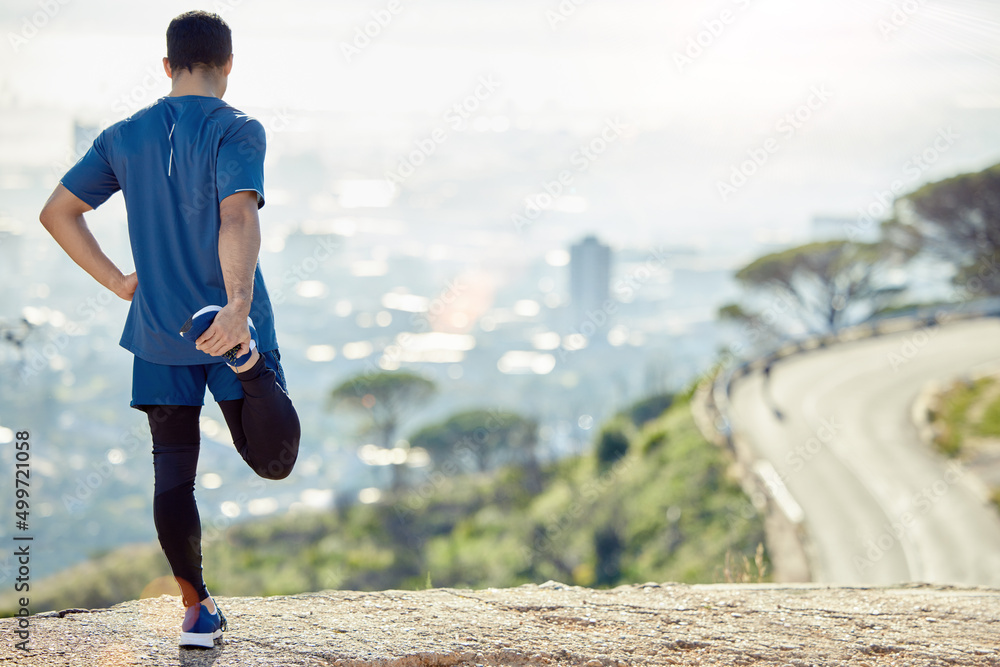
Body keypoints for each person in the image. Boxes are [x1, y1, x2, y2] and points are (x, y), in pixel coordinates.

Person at [38, 10, 300, 649]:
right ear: (229, 65)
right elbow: (237, 215)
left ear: (166, 66)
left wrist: (119, 282)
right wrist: (237, 307)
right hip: (232, 327)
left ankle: (195, 609)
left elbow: (57, 213)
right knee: (273, 461)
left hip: (158, 329)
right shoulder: (238, 129)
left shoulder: (123, 136)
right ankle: (250, 367)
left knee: (172, 473)